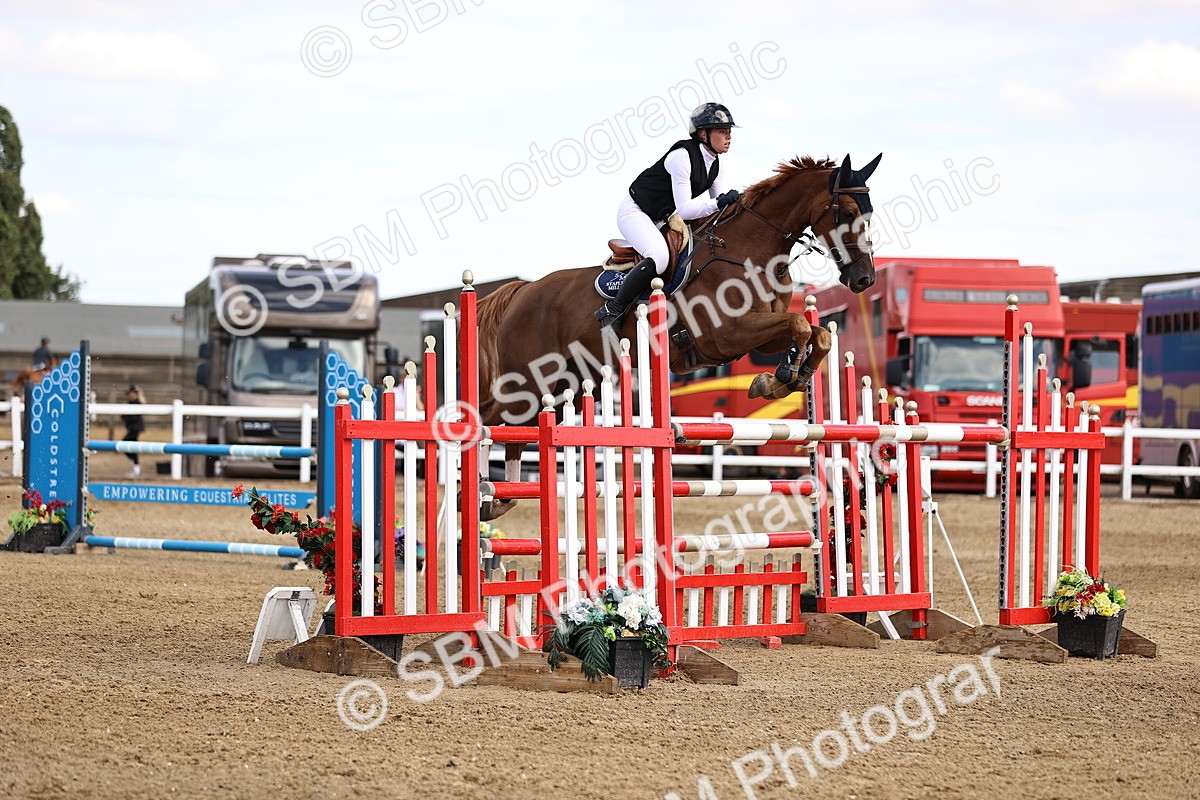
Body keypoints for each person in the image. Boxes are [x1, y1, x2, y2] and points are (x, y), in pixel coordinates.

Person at [595, 102, 742, 333]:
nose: (729, 137)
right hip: (635, 211)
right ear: (703, 134)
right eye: (722, 131)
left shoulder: (716, 165)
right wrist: (718, 202)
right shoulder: (681, 157)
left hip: (661, 218)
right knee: (660, 257)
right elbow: (685, 209)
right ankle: (613, 310)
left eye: (729, 131)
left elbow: (717, 206)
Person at [122, 385, 145, 477]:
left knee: (129, 446)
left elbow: (134, 417)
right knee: (128, 446)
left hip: (135, 428)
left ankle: (136, 466)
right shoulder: (132, 403)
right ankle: (135, 465)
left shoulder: (137, 403)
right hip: (133, 428)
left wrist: (126, 417)